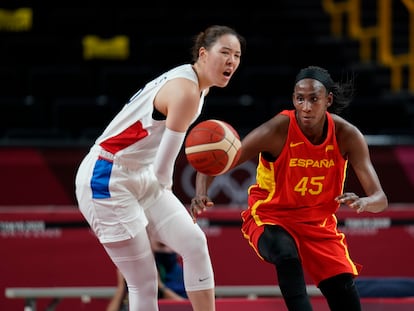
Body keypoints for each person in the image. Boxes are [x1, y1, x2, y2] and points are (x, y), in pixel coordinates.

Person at [75, 25, 246, 311]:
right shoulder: (186, 91)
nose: (232, 61)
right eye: (225, 52)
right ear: (203, 54)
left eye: (237, 56)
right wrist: (167, 205)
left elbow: (156, 172)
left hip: (139, 173)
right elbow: (163, 171)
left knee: (194, 243)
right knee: (144, 282)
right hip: (106, 178)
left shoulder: (194, 84)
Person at [191, 65, 388, 311]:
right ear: (293, 99)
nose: (305, 107)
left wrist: (365, 202)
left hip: (318, 225)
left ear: (328, 100)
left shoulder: (347, 135)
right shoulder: (277, 130)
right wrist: (201, 192)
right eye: (300, 99)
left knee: (344, 293)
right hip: (271, 218)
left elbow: (380, 198)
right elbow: (220, 159)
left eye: (313, 99)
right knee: (287, 256)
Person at [106, 239, 186, 311]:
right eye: (161, 245)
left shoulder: (179, 274)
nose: (167, 250)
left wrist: (159, 286)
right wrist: (121, 287)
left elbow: (187, 307)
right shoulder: (136, 271)